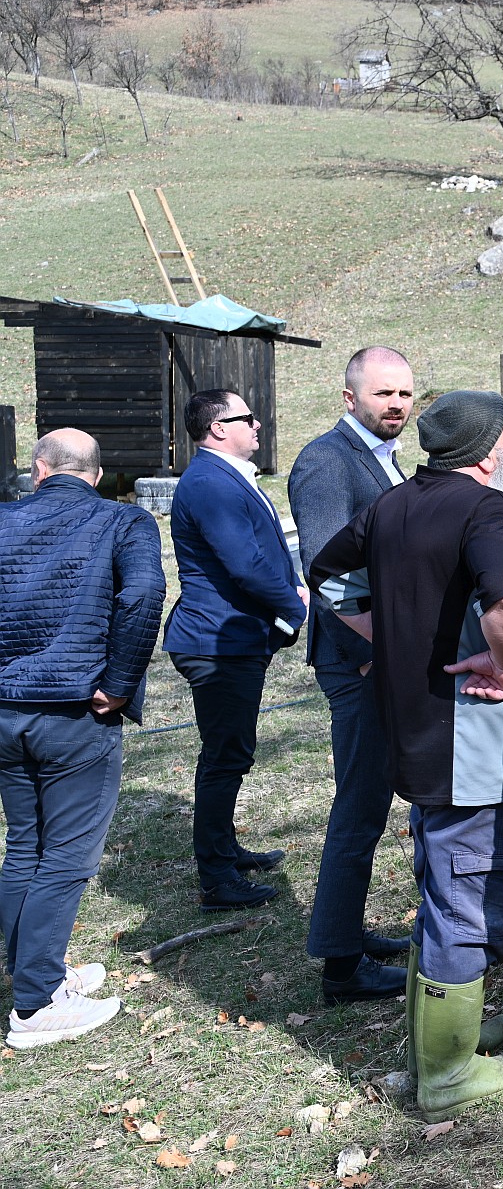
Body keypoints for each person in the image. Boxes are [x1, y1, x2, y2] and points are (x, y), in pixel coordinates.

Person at [309, 390, 503, 1121]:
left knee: (444, 884)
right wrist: (501, 667)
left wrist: (393, 639)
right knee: (473, 894)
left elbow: (328, 573)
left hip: (415, 731)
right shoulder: (489, 509)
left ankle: (446, 1035)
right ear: (485, 452)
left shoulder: (393, 503)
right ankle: (445, 1072)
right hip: (475, 741)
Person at [0, 430, 165, 1048]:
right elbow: (145, 594)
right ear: (96, 475)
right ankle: (36, 1004)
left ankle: (33, 972)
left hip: (9, 708)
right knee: (64, 856)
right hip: (75, 711)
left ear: (37, 470)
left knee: (26, 847)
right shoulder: (124, 522)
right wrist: (120, 682)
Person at [288, 347, 416, 1005]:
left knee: (368, 804)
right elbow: (326, 568)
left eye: (404, 394)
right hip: (357, 662)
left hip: (380, 659)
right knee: (360, 809)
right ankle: (341, 966)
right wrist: (372, 651)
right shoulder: (325, 460)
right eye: (382, 394)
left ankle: (350, 934)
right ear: (349, 398)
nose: (395, 404)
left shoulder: (379, 458)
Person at [163, 390, 308, 913]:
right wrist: (295, 605)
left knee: (229, 752)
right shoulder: (209, 483)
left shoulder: (220, 477)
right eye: (249, 418)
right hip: (217, 643)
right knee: (226, 757)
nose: (259, 425)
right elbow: (245, 565)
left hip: (228, 637)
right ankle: (217, 879)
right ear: (219, 428)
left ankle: (224, 850)